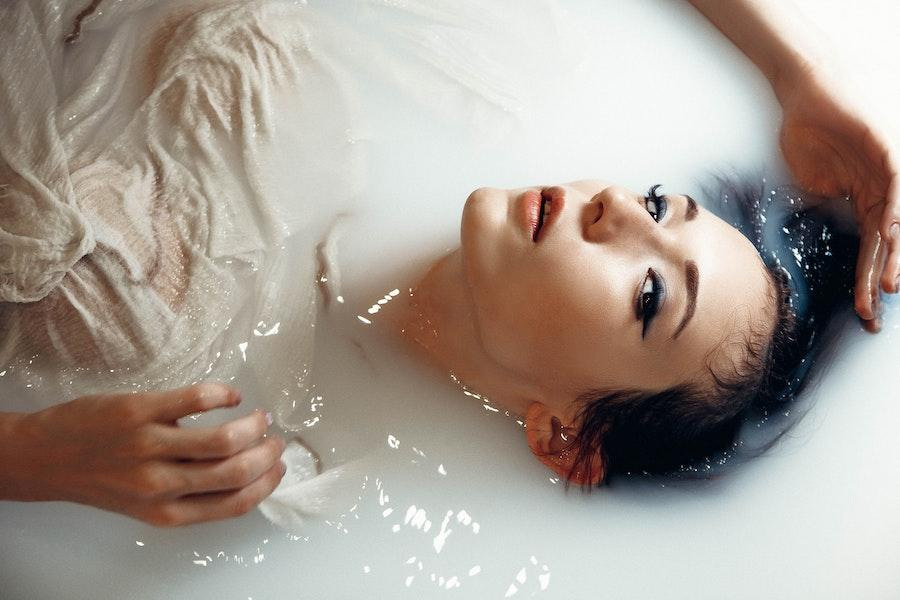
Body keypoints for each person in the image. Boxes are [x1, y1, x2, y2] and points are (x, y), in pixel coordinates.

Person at [1, 0, 898, 525]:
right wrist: (793, 70)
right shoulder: (478, 71)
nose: (618, 208)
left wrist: (33, 461)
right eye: (661, 204)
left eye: (652, 293)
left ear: (560, 435)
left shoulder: (168, 363)